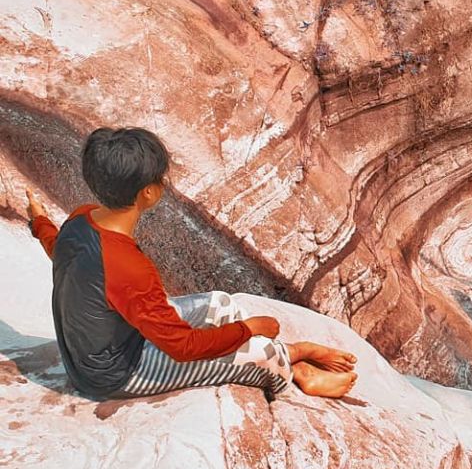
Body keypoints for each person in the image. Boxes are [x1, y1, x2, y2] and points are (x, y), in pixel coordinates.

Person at [25, 126, 358, 401]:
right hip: (117, 373)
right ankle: (294, 369)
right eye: (160, 180)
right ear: (149, 194)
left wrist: (39, 220)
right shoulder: (128, 266)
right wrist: (249, 329)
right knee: (251, 352)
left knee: (220, 304)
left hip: (108, 344)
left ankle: (288, 353)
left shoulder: (80, 220)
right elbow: (182, 347)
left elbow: (59, 250)